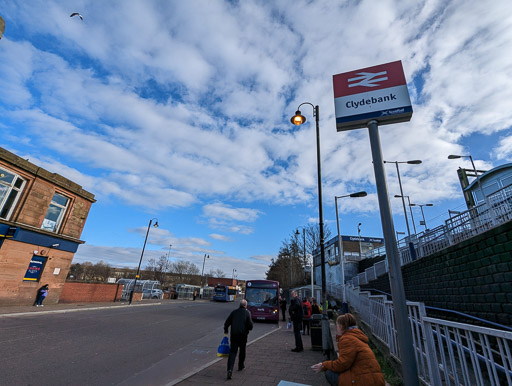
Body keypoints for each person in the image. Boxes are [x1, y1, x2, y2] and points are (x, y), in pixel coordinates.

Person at [311, 313, 385, 386]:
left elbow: (342, 364)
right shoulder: (357, 337)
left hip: (365, 382)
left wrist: (324, 365)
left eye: (337, 326)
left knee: (329, 372)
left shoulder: (347, 339)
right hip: (375, 380)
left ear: (340, 327)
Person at [224, 299, 253, 380]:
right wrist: (247, 329)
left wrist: (226, 330)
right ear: (245, 305)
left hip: (234, 335)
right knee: (242, 350)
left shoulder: (234, 312)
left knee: (232, 352)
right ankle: (241, 365)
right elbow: (250, 326)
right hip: (243, 335)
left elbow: (227, 322)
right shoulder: (247, 313)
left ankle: (229, 369)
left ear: (239, 305)